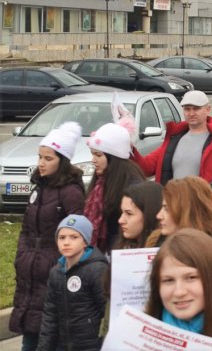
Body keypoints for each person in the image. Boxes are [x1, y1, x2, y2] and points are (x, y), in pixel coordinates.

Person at [11, 122, 86, 351]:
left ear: (62, 160)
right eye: (40, 157)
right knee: (29, 331)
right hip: (30, 271)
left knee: (47, 334)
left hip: (53, 270)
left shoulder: (71, 192)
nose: (41, 164)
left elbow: (77, 234)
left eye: (48, 158)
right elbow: (26, 228)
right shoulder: (38, 187)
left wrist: (58, 263)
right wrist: (22, 255)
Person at [35, 215, 108, 351]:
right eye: (61, 237)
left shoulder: (97, 269)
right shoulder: (56, 272)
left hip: (91, 346)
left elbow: (107, 310)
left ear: (85, 242)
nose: (66, 242)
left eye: (74, 237)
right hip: (63, 345)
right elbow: (50, 316)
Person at [132, 90, 212, 184]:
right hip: (173, 200)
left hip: (205, 201)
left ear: (208, 109)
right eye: (187, 109)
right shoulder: (173, 138)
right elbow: (145, 168)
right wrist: (128, 146)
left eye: (196, 108)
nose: (191, 113)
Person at [83, 121, 144, 253]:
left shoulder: (131, 184)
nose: (93, 160)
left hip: (121, 250)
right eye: (93, 154)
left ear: (113, 157)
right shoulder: (101, 180)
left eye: (98, 155)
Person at [115, 180, 164, 250]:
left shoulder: (167, 254)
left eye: (129, 213)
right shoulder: (124, 248)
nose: (120, 220)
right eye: (122, 212)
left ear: (149, 215)